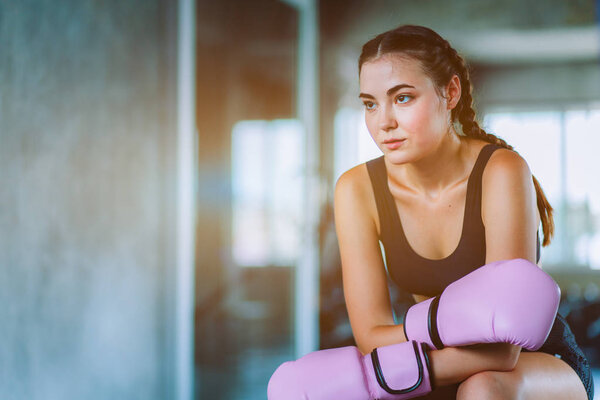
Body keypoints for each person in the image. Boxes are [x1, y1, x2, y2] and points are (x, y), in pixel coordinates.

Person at [267, 25, 594, 400]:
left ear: (450, 92)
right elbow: (370, 335)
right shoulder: (357, 189)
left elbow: (505, 345)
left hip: (535, 362)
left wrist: (381, 378)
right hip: (434, 360)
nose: (383, 122)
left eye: (403, 98)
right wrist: (397, 369)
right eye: (370, 104)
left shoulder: (501, 170)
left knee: (481, 388)